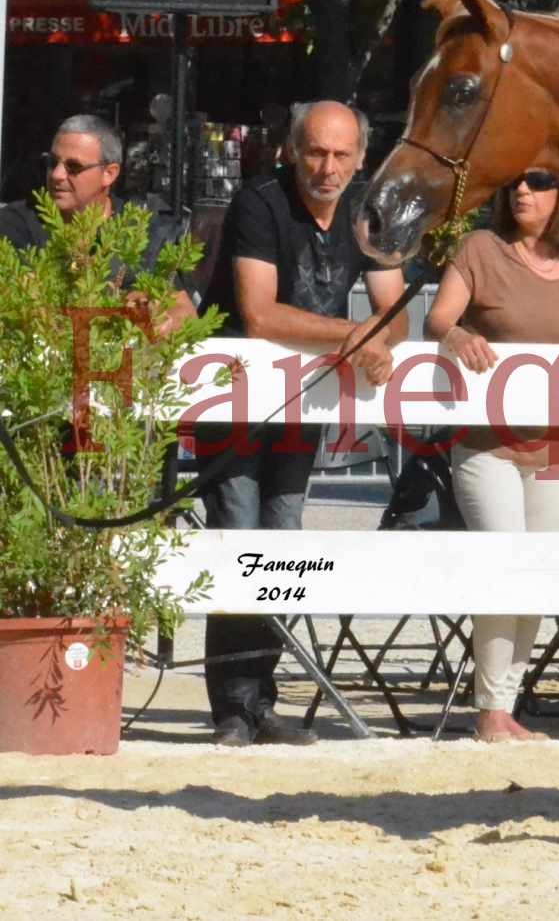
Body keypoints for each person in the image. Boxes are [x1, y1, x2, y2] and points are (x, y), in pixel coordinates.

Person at [198, 100, 411, 746]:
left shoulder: (370, 211)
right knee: (240, 538)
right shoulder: (258, 203)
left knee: (283, 541)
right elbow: (259, 315)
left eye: (341, 154)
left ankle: (261, 702)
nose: (327, 166)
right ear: (292, 150)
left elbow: (396, 314)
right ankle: (232, 708)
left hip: (305, 400)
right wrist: (356, 336)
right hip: (234, 396)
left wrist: (376, 337)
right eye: (316, 151)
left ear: (361, 159)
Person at [423, 169, 559, 742]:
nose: (521, 192)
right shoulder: (481, 249)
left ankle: (505, 707)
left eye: (538, 181)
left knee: (536, 576)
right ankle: (489, 711)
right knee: (501, 569)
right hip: (486, 443)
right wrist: (456, 338)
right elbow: (437, 318)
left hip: (558, 444)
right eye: (514, 184)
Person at [0, 114, 197, 336]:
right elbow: (27, 305)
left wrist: (159, 318)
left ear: (109, 174)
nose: (56, 175)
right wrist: (118, 309)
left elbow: (184, 312)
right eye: (52, 162)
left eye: (73, 167)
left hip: (127, 365)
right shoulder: (15, 224)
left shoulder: (141, 228)